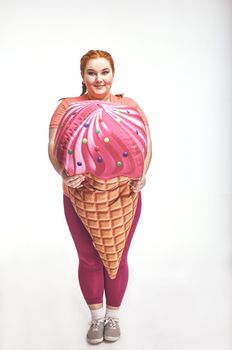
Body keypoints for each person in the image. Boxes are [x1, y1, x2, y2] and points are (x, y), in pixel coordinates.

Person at [48, 49, 152, 344]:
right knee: (90, 259)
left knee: (116, 258)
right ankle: (96, 319)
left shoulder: (128, 105)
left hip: (124, 195)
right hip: (77, 195)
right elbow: (53, 146)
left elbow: (145, 144)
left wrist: (142, 175)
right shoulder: (67, 107)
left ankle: (113, 317)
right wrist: (64, 174)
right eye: (92, 73)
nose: (99, 78)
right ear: (82, 76)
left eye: (104, 72)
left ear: (113, 73)